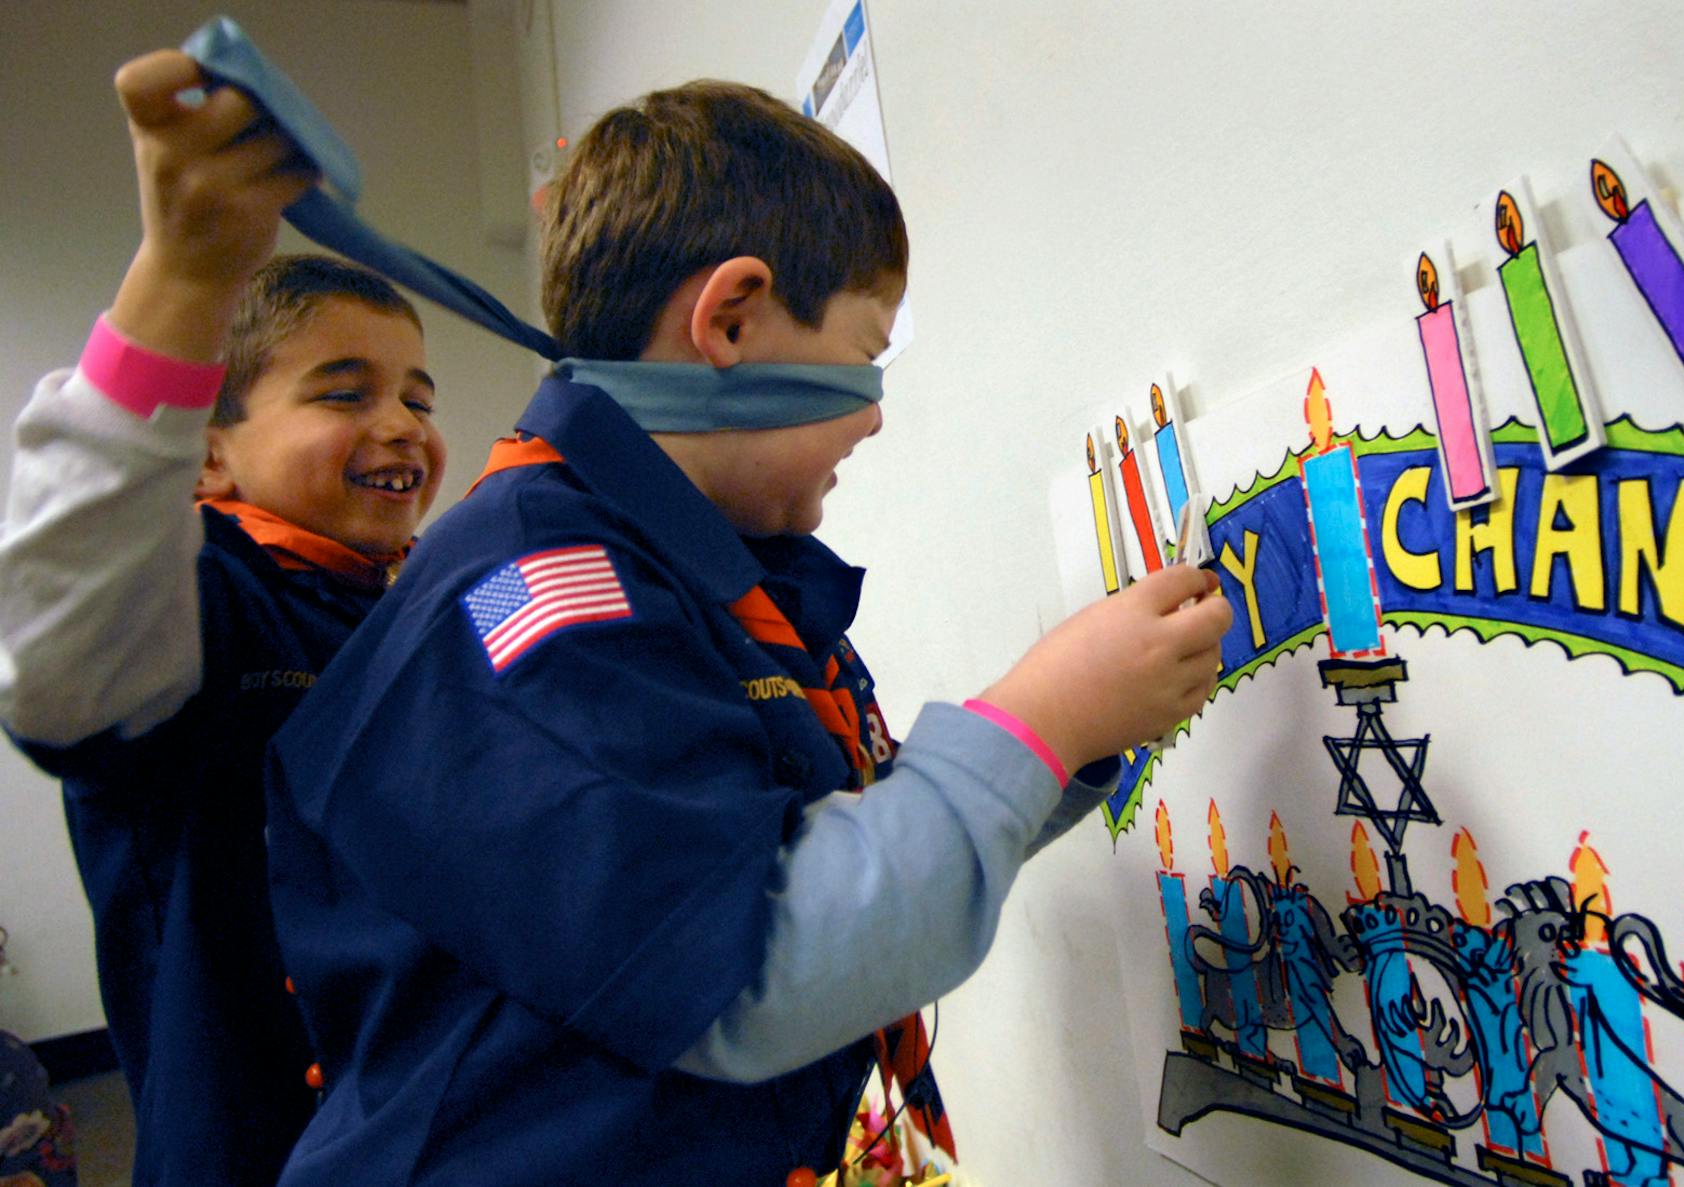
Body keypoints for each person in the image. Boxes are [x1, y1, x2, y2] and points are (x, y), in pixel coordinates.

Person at [262, 79, 1231, 1185]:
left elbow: (817, 846)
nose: (875, 412)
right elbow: (751, 967)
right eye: (867, 351)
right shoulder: (532, 593)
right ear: (731, 320)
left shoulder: (682, 567)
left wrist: (1065, 744)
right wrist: (1039, 719)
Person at [0, 50, 446, 1186]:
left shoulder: (400, 605)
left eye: (416, 395)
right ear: (207, 452)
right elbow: (62, 655)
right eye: (345, 392)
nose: (399, 423)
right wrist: (181, 284)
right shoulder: (196, 606)